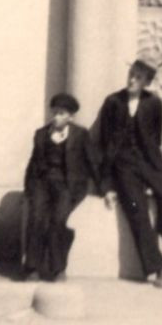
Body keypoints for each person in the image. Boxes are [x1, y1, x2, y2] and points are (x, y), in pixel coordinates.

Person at [94, 59, 162, 289]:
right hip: (123, 166)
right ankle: (157, 268)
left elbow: (155, 138)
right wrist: (107, 185)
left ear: (147, 82)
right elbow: (103, 145)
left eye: (138, 78)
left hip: (149, 164)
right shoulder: (113, 103)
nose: (132, 80)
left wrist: (156, 169)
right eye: (131, 74)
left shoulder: (154, 104)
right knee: (136, 210)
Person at [20, 92, 99, 283]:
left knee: (58, 219)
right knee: (37, 217)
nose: (56, 117)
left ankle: (58, 269)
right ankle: (32, 267)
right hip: (43, 183)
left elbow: (92, 162)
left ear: (71, 117)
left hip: (67, 185)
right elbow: (33, 165)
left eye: (62, 113)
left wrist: (104, 188)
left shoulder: (80, 134)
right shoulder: (41, 134)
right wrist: (29, 189)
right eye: (54, 112)